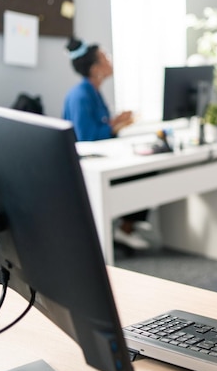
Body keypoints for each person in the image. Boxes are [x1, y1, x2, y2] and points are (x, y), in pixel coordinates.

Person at [63, 36, 151, 250]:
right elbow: (87, 137)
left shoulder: (94, 92)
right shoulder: (81, 95)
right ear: (95, 69)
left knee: (146, 168)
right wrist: (113, 126)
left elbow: (99, 126)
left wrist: (117, 121)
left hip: (101, 159)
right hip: (85, 167)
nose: (110, 61)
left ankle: (126, 226)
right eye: (105, 58)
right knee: (142, 173)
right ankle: (125, 227)